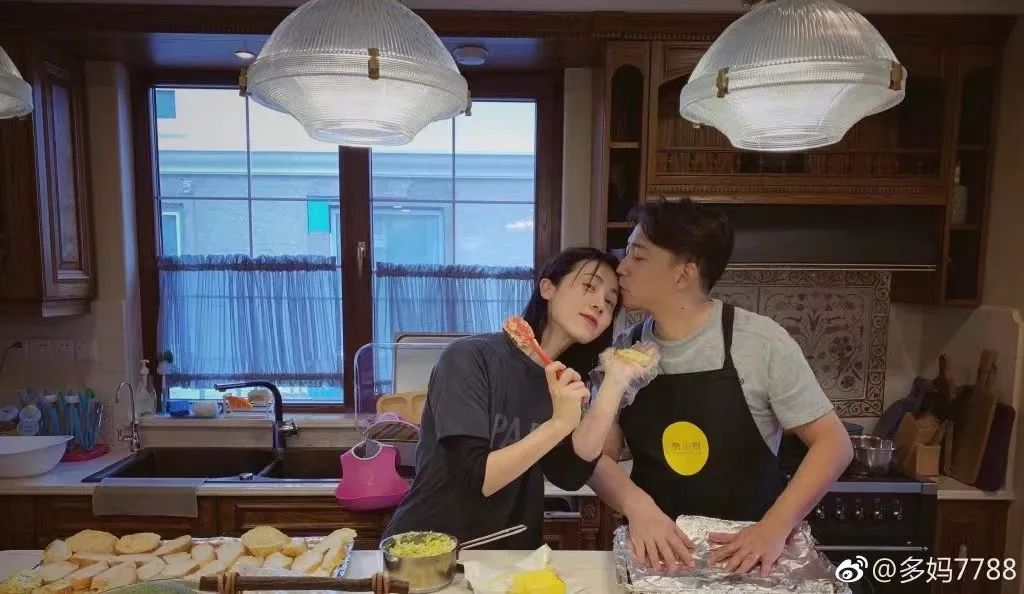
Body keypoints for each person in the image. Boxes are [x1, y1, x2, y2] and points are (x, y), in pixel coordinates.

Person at [589, 199, 854, 576]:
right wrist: (637, 506)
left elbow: (834, 444)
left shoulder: (760, 342)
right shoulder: (623, 351)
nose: (622, 267)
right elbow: (597, 456)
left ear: (683, 275)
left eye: (639, 256)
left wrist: (774, 527)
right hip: (660, 560)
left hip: (747, 562)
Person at [383, 247, 652, 549]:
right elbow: (476, 479)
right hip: (430, 552)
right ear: (548, 288)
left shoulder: (563, 383)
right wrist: (558, 424)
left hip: (512, 555)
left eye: (610, 301)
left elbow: (570, 474)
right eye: (589, 286)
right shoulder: (469, 358)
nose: (600, 305)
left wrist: (615, 381)